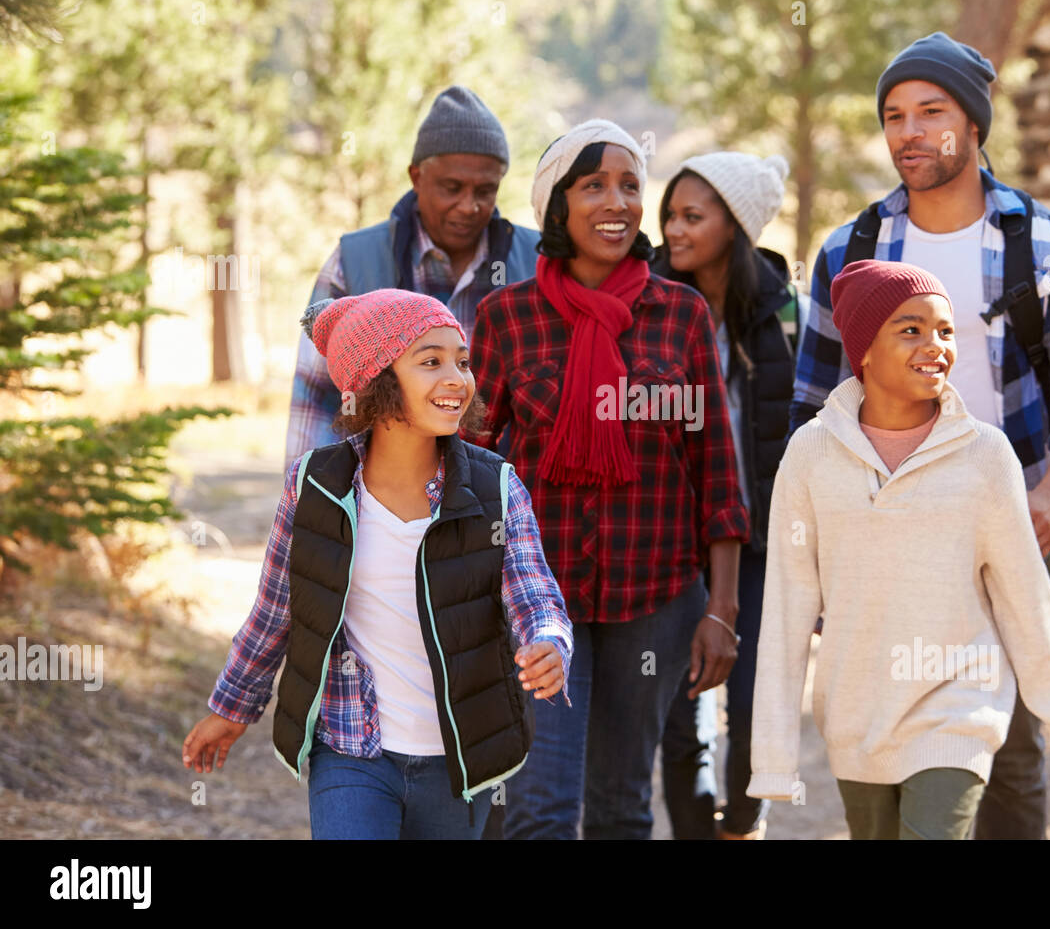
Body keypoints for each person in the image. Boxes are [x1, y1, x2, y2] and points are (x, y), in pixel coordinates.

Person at [787, 32, 1050, 839]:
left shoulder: (1045, 245)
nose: (909, 131)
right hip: (879, 537)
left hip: (1004, 525)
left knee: (1009, 756)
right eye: (894, 115)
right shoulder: (850, 250)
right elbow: (811, 410)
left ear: (975, 124)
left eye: (931, 111)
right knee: (880, 754)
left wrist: (1047, 497)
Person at [182, 289, 572, 839]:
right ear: (378, 381)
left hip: (461, 756)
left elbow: (535, 595)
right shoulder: (313, 485)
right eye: (431, 361)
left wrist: (549, 643)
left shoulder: (496, 488)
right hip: (351, 749)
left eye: (461, 361)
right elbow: (275, 612)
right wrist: (232, 708)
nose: (458, 378)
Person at [750, 259, 1050, 839]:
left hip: (958, 704)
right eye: (910, 329)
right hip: (855, 713)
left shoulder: (985, 455)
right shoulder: (810, 455)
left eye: (944, 330)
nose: (935, 345)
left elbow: (1024, 592)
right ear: (863, 349)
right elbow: (788, 605)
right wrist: (772, 754)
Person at [464, 120, 750, 839]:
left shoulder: (679, 315)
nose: (616, 201)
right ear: (557, 206)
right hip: (538, 598)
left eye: (629, 185)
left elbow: (716, 470)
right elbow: (468, 462)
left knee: (623, 808)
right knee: (540, 809)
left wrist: (721, 609)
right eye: (594, 185)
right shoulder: (507, 318)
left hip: (653, 598)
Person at [652, 151, 795, 840]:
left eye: (691, 217)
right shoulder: (646, 302)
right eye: (670, 215)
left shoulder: (781, 312)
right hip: (674, 542)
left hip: (762, 539)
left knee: (754, 704)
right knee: (683, 718)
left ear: (734, 227)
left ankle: (742, 825)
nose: (673, 231)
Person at [285, 85, 541, 465]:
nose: (469, 206)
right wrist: (313, 505)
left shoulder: (536, 262)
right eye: (452, 188)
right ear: (417, 176)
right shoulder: (358, 261)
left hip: (498, 503)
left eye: (486, 191)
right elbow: (317, 399)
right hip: (378, 502)